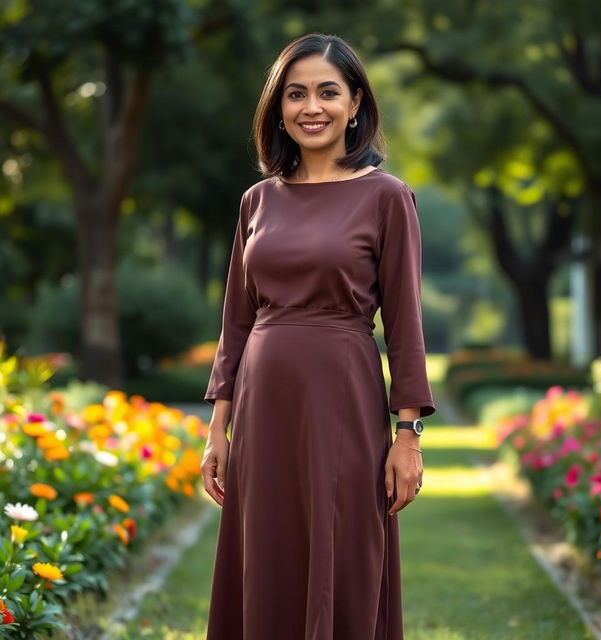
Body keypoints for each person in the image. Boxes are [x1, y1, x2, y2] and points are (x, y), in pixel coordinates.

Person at [200, 31, 436, 640]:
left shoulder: (386, 197)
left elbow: (406, 327)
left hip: (344, 400)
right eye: (295, 94)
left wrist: (407, 435)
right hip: (262, 409)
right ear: (277, 108)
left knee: (345, 554)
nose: (312, 107)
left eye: (328, 92)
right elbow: (236, 322)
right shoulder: (257, 202)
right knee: (266, 557)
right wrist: (217, 430)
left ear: (355, 103)